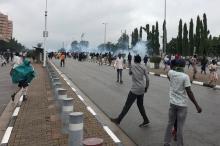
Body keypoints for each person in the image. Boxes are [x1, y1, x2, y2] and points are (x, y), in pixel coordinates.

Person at [164, 59, 202, 146]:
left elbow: (168, 75)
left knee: (170, 124)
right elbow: (189, 92)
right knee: (180, 127)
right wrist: (197, 105)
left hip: (172, 104)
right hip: (182, 106)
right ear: (184, 66)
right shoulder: (185, 76)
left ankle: (166, 143)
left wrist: (172, 83)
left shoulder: (171, 73)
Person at [111, 55, 150, 127]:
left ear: (135, 60)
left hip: (134, 89)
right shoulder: (144, 67)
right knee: (140, 105)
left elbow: (130, 73)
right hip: (142, 89)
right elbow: (147, 79)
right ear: (140, 60)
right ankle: (146, 120)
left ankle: (118, 120)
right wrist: (146, 88)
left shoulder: (132, 66)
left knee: (127, 106)